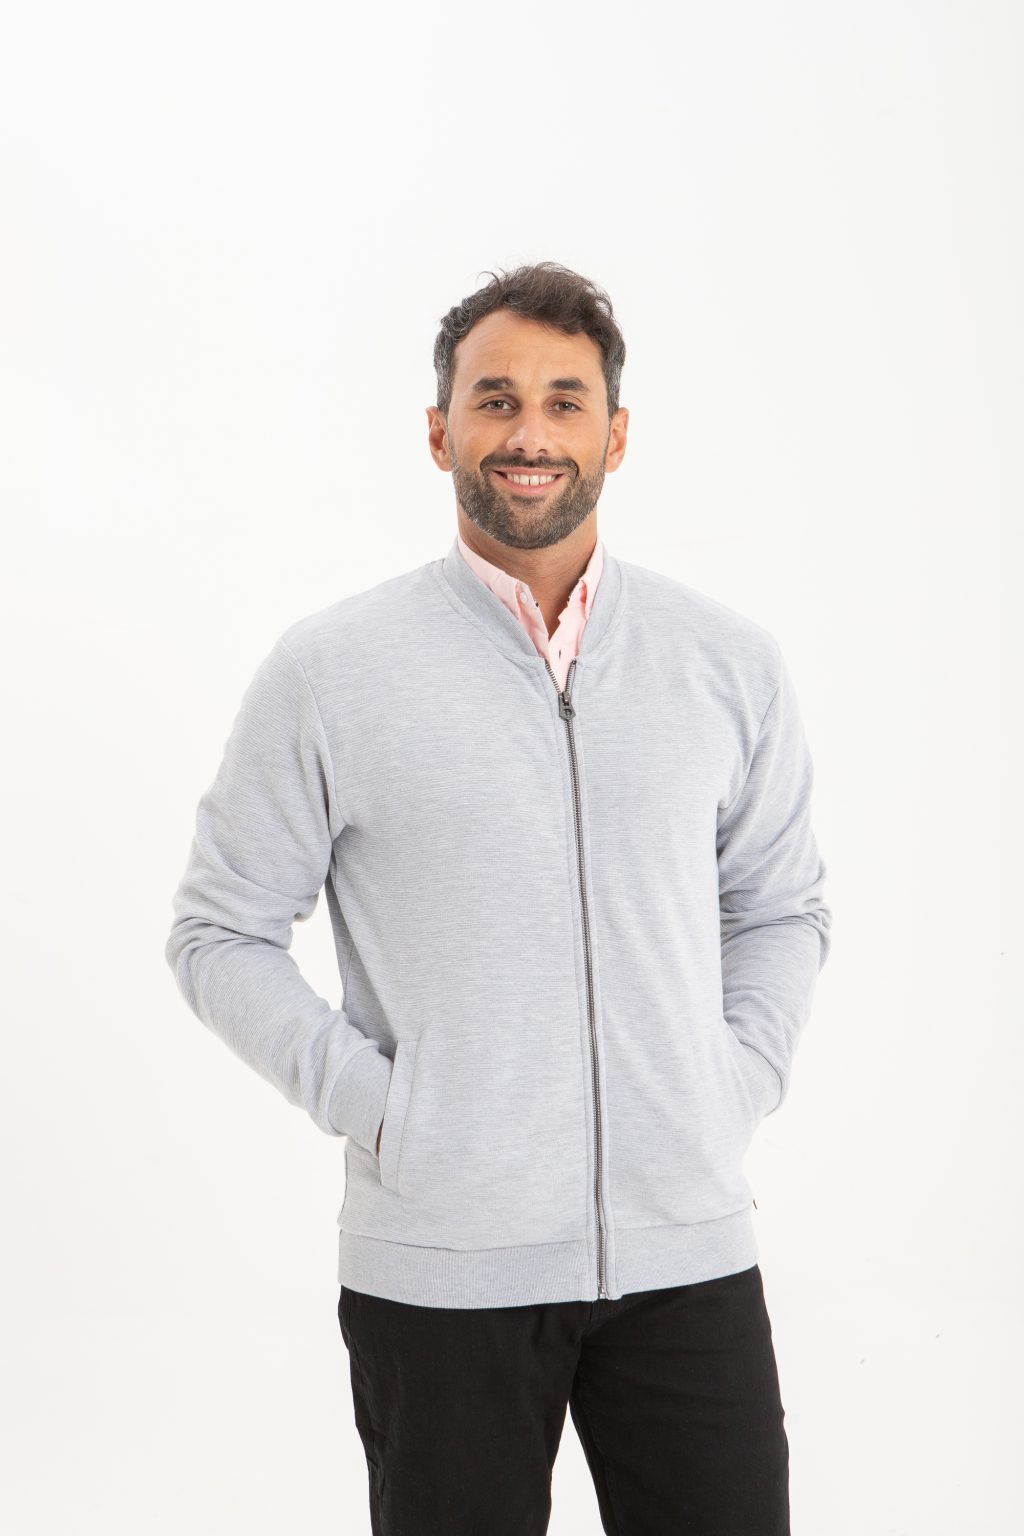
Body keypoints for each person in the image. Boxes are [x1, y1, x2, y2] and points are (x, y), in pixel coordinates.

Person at [165, 259, 832, 1535]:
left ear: (616, 435)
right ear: (440, 432)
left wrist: (731, 1083)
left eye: (565, 401)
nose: (530, 433)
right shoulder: (333, 670)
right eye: (495, 399)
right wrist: (386, 1112)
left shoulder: (726, 664)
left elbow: (779, 906)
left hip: (687, 1256)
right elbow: (219, 929)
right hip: (441, 1273)